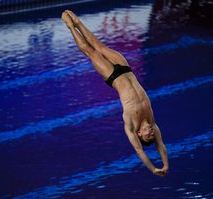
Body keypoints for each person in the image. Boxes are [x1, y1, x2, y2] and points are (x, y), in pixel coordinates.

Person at [61, 10, 169, 176]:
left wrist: (154, 168)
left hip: (112, 77)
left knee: (91, 52)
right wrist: (165, 164)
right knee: (99, 46)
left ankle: (70, 27)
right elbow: (161, 145)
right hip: (126, 68)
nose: (152, 134)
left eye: (148, 136)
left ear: (139, 134)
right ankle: (77, 22)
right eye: (152, 135)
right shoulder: (152, 122)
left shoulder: (131, 127)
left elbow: (140, 152)